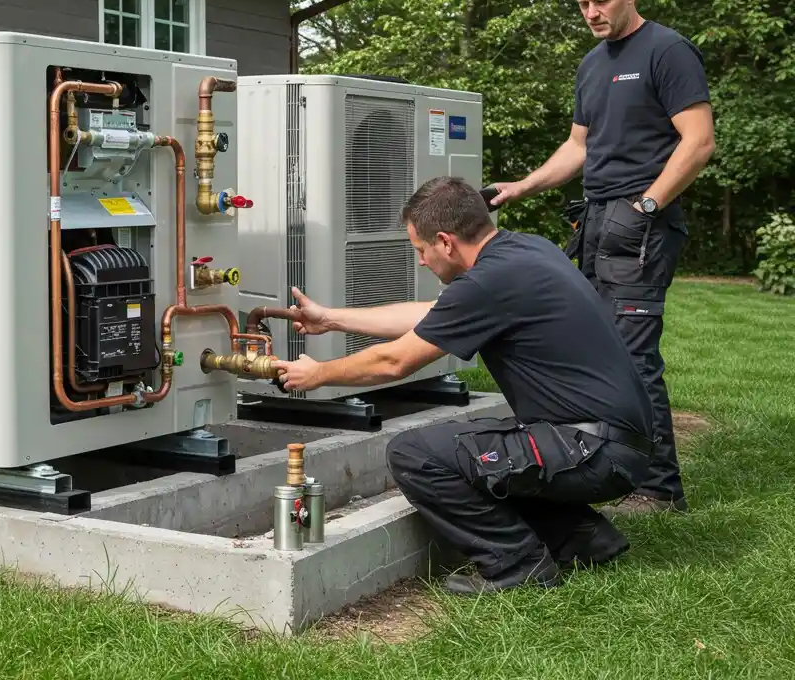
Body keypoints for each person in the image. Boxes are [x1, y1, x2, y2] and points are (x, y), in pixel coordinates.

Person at [272, 177, 656, 594]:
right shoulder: (524, 251)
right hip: (614, 444)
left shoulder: (488, 283)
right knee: (483, 448)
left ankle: (517, 566)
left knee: (416, 454)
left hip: (592, 451)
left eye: (421, 250)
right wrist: (330, 319)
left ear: (445, 241)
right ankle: (581, 538)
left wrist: (319, 374)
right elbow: (433, 314)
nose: (421, 262)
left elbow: (394, 361)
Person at [486, 0, 715, 514]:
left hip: (640, 225)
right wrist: (523, 187)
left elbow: (699, 141)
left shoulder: (667, 50)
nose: (591, 12)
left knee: (634, 356)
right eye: (583, 3)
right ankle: (602, 464)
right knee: (598, 350)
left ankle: (659, 488)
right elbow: (577, 148)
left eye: (602, 0)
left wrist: (646, 205)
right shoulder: (592, 64)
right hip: (594, 221)